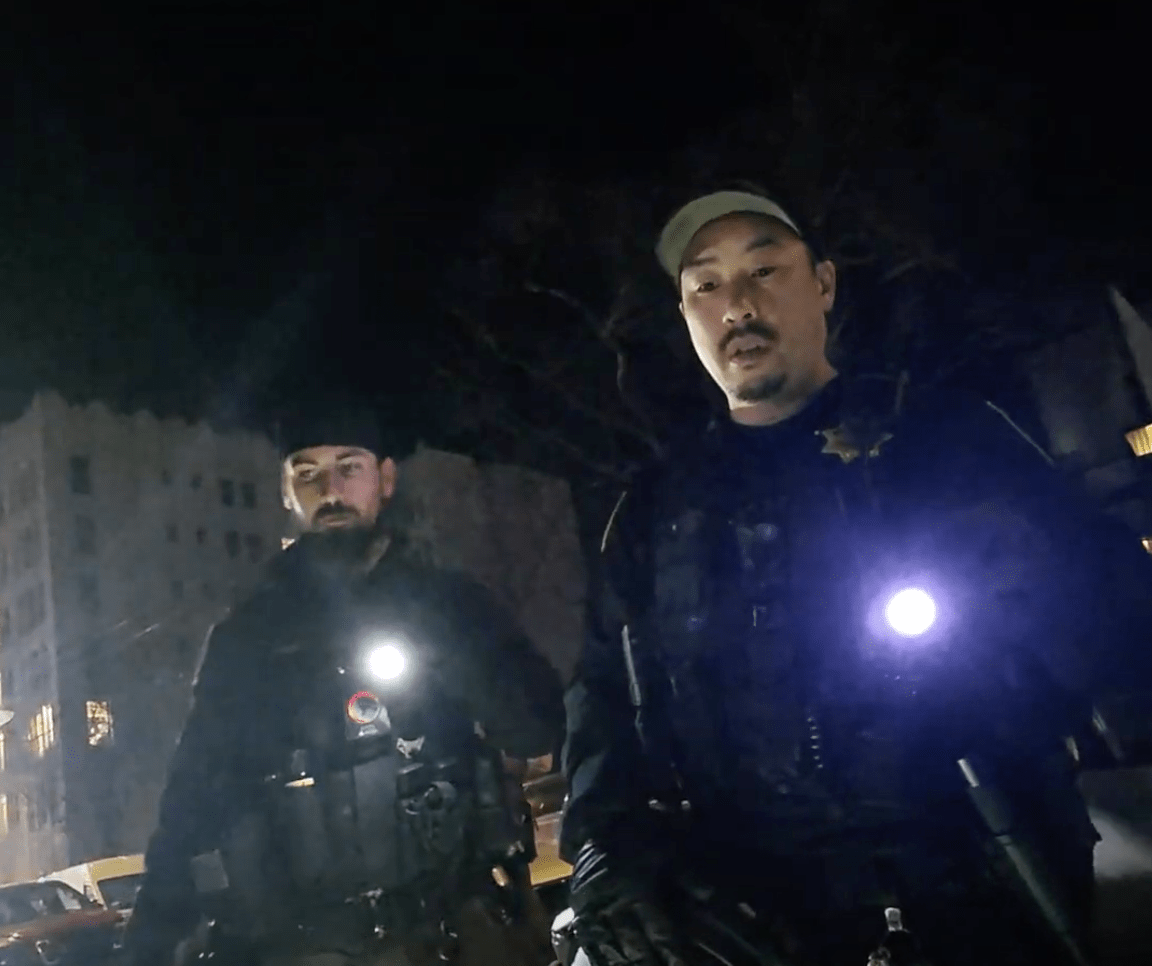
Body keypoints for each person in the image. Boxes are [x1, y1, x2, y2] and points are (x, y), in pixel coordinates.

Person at [559, 185, 1152, 965]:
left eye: (764, 270)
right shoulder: (655, 506)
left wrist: (1040, 568)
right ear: (686, 318)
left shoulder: (946, 440)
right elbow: (601, 694)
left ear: (825, 284)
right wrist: (606, 849)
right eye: (706, 285)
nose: (736, 304)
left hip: (977, 880)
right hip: (755, 918)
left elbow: (1118, 633)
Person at [126, 402, 564, 966]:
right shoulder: (247, 638)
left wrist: (446, 648)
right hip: (302, 941)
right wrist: (150, 936)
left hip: (450, 930)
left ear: (384, 479)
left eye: (348, 467)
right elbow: (192, 795)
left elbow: (535, 724)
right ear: (286, 494)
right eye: (306, 473)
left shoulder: (450, 604)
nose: (328, 489)